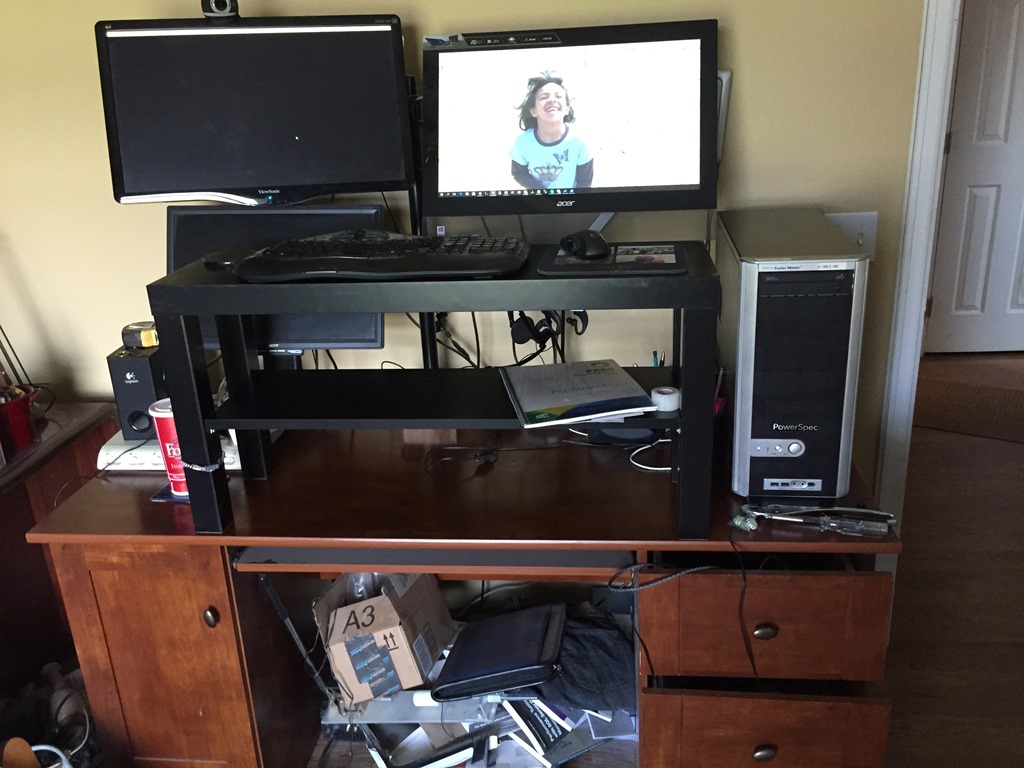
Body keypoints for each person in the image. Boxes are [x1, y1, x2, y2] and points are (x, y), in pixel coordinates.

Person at [510, 73, 593, 190]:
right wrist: (543, 193)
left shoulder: (579, 142)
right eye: (544, 97)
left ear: (567, 109)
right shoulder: (522, 143)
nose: (552, 99)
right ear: (533, 111)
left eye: (558, 96)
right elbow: (519, 173)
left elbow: (585, 183)